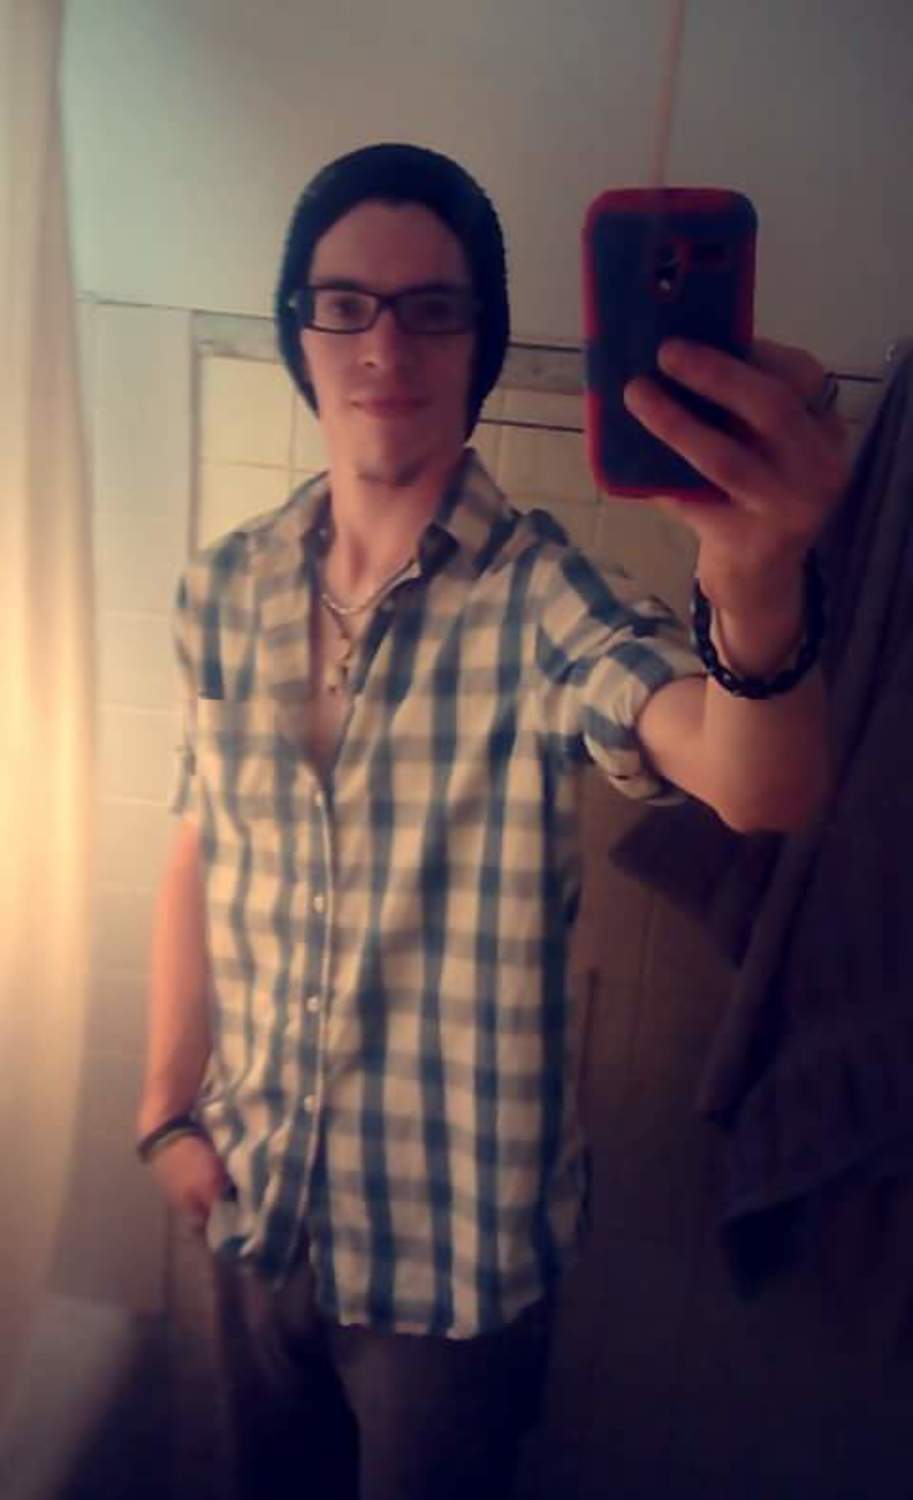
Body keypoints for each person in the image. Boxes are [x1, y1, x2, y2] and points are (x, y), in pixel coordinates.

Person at [135, 143, 848, 1499]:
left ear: (482, 342)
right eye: (344, 303)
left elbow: (758, 784)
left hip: (452, 1278)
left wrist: (755, 578)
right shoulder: (220, 589)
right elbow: (199, 848)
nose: (383, 343)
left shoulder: (545, 599)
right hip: (248, 1206)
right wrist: (167, 1109)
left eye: (432, 307)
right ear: (298, 330)